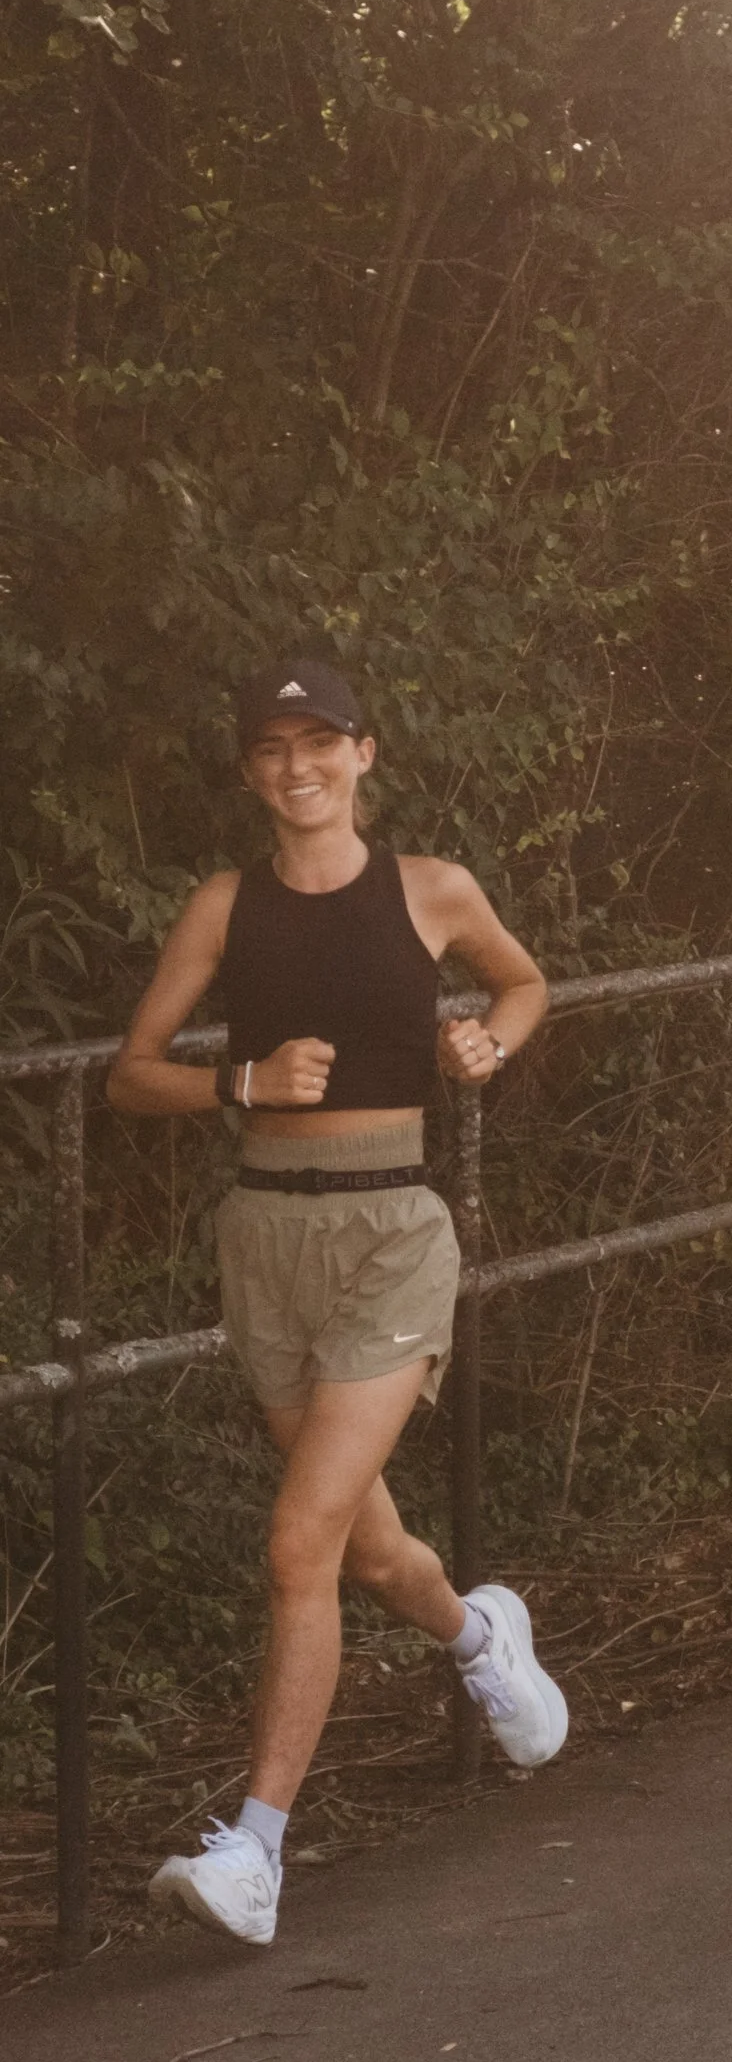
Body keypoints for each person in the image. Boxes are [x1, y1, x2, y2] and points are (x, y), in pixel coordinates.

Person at [108, 656, 567, 1950]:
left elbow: (524, 982)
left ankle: (253, 1849)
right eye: (273, 748)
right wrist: (239, 1085)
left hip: (393, 1234)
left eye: (323, 742)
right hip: (264, 1239)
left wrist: (491, 1038)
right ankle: (480, 1630)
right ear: (253, 769)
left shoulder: (432, 889)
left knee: (298, 1544)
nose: (298, 766)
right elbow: (131, 1076)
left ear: (367, 754)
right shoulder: (224, 904)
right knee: (363, 1549)